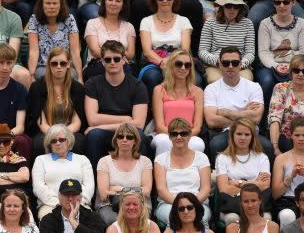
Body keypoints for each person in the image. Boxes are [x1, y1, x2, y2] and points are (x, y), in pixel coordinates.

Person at [83, 40, 150, 168]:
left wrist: (103, 125)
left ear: (124, 60)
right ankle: (96, 183)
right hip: (105, 133)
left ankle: (142, 181)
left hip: (126, 131)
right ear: (102, 62)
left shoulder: (137, 86)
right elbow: (92, 120)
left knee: (139, 135)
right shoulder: (93, 83)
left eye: (116, 59)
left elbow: (139, 124)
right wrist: (125, 119)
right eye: (108, 60)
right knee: (94, 135)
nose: (112, 62)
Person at [203, 45, 269, 165]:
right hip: (224, 132)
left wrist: (227, 112)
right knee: (216, 144)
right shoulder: (211, 89)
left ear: (240, 64)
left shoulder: (254, 87)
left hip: (251, 131)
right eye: (226, 63)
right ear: (219, 64)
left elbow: (256, 118)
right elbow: (211, 121)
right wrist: (245, 113)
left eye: (234, 62)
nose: (230, 66)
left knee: (267, 146)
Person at [26, 47, 86, 157]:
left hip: (70, 130)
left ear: (68, 64)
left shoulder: (78, 88)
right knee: (39, 144)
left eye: (62, 63)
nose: (59, 67)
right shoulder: (37, 87)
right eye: (54, 63)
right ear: (49, 65)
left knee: (79, 142)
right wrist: (55, 135)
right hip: (46, 131)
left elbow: (77, 122)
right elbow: (41, 123)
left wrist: (63, 135)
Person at [154, 117, 213, 227]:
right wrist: (180, 204)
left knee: (201, 218)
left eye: (183, 133)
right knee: (173, 218)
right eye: (174, 134)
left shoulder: (202, 157)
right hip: (169, 203)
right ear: (169, 136)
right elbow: (161, 189)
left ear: (190, 135)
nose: (179, 137)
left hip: (197, 202)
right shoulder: (160, 159)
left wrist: (191, 204)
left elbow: (206, 189)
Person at [138, 0, 195, 95]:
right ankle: (152, 110)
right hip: (154, 63)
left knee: (197, 79)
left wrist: (172, 64)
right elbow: (147, 52)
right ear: (155, 0)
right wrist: (161, 63)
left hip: (180, 63)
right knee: (152, 77)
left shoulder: (183, 21)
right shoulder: (146, 21)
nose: (165, 1)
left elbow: (185, 49)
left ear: (174, 0)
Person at [94, 124, 153, 226]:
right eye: (120, 136)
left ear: (135, 141)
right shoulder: (104, 161)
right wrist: (136, 190)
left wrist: (118, 189)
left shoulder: (145, 161)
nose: (124, 140)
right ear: (116, 140)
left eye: (129, 137)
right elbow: (104, 195)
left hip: (139, 205)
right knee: (115, 222)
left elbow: (147, 191)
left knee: (137, 219)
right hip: (109, 205)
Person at [217, 120, 272, 225]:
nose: (243, 138)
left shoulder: (262, 157)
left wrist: (238, 183)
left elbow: (265, 185)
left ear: (252, 136)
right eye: (239, 134)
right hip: (232, 206)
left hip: (257, 206)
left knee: (266, 217)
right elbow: (224, 188)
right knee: (232, 218)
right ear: (232, 135)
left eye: (247, 134)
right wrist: (255, 184)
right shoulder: (222, 158)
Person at [150, 51, 205, 156]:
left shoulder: (198, 91)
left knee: (198, 144)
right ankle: (162, 172)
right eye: (179, 64)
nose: (183, 68)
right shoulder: (159, 90)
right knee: (164, 141)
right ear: (171, 65)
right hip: (165, 134)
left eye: (187, 65)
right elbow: (160, 126)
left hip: (189, 135)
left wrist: (183, 136)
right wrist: (176, 135)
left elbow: (197, 127)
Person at [32, 126, 94, 219]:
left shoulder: (82, 160)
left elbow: (89, 186)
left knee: (89, 220)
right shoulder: (41, 160)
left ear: (69, 140)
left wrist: (76, 203)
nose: (57, 143)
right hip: (50, 206)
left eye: (61, 140)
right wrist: (59, 204)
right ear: (49, 144)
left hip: (80, 205)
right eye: (53, 141)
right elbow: (38, 187)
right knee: (47, 220)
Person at [256, 0, 304, 102]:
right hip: (270, 66)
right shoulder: (265, 24)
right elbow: (263, 51)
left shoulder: (302, 23)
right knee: (267, 81)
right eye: (278, 2)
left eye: (286, 2)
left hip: (295, 66)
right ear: (274, 4)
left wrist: (291, 66)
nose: (282, 6)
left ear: (293, 2)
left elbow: (303, 50)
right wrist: (276, 65)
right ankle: (266, 116)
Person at [198, 0, 256, 83]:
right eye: (228, 5)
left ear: (240, 8)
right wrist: (218, 62)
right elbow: (202, 51)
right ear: (222, 6)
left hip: (240, 65)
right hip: (216, 65)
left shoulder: (248, 24)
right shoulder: (210, 23)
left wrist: (240, 64)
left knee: (245, 81)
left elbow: (250, 53)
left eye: (236, 6)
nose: (232, 9)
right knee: (215, 80)